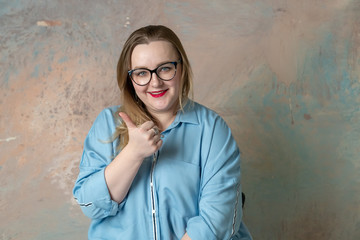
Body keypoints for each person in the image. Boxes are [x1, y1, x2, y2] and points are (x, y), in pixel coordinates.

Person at [73, 25, 252, 240]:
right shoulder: (108, 123)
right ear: (130, 79)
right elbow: (91, 205)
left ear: (181, 69)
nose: (155, 82)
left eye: (165, 68)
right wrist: (133, 153)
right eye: (141, 73)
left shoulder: (212, 129)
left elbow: (217, 221)